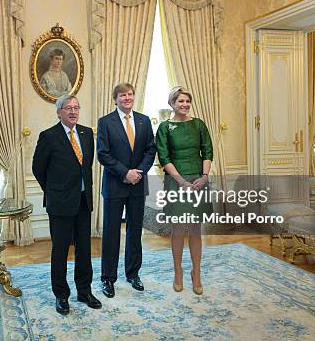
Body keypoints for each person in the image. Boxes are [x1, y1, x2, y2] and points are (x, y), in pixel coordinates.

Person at [32, 94, 102, 315]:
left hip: (83, 201)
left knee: (84, 249)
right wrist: (54, 191)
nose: (73, 112)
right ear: (59, 112)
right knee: (60, 250)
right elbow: (38, 169)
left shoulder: (87, 133)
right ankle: (61, 295)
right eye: (68, 108)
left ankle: (84, 291)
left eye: (76, 107)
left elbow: (86, 167)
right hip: (60, 203)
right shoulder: (48, 136)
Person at [97, 83, 156, 298]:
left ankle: (133, 274)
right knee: (112, 233)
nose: (127, 98)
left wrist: (138, 171)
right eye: (123, 95)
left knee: (135, 231)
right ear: (116, 99)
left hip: (138, 185)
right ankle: (108, 278)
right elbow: (103, 154)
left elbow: (151, 149)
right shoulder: (105, 122)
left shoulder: (144, 120)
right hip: (115, 185)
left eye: (130, 94)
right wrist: (125, 173)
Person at [156, 86, 213, 294]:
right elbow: (164, 157)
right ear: (172, 104)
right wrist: (181, 182)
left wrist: (204, 177)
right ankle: (178, 271)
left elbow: (207, 150)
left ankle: (196, 273)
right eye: (180, 101)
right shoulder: (164, 127)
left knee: (196, 230)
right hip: (176, 181)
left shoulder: (199, 125)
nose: (185, 104)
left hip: (198, 180)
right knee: (178, 229)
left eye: (187, 101)